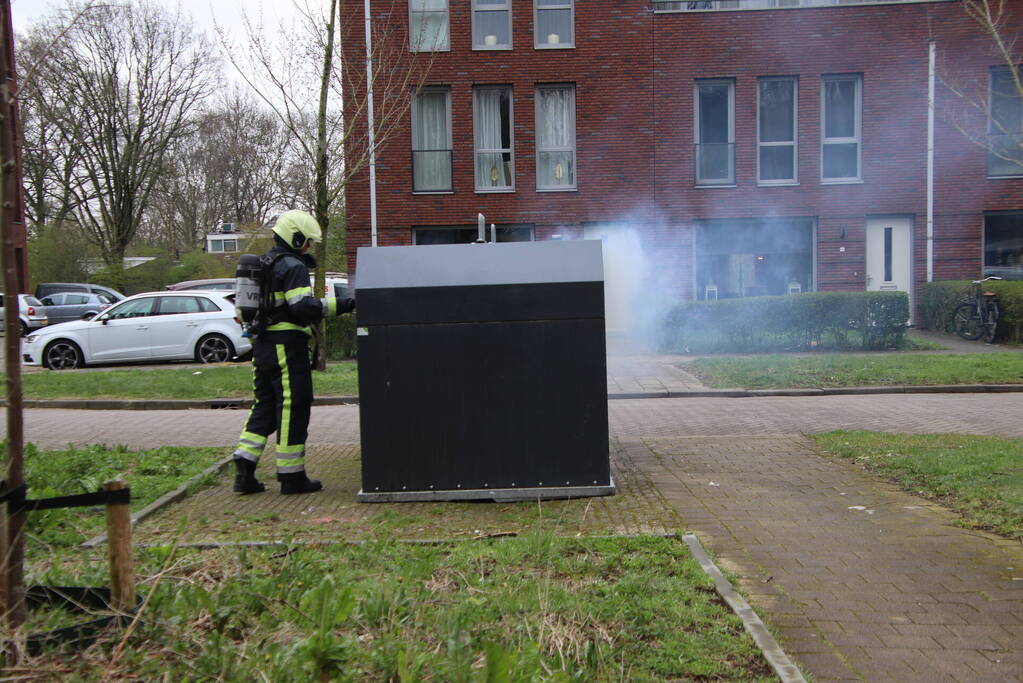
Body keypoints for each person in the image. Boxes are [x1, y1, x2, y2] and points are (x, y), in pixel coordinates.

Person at [232, 210, 355, 495]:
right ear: (295, 237)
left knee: (265, 405)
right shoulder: (292, 265)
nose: (308, 247)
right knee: (293, 405)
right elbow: (302, 307)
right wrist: (343, 305)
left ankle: (244, 467)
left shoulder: (265, 263)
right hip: (286, 346)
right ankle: (292, 476)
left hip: (262, 346)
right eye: (306, 241)